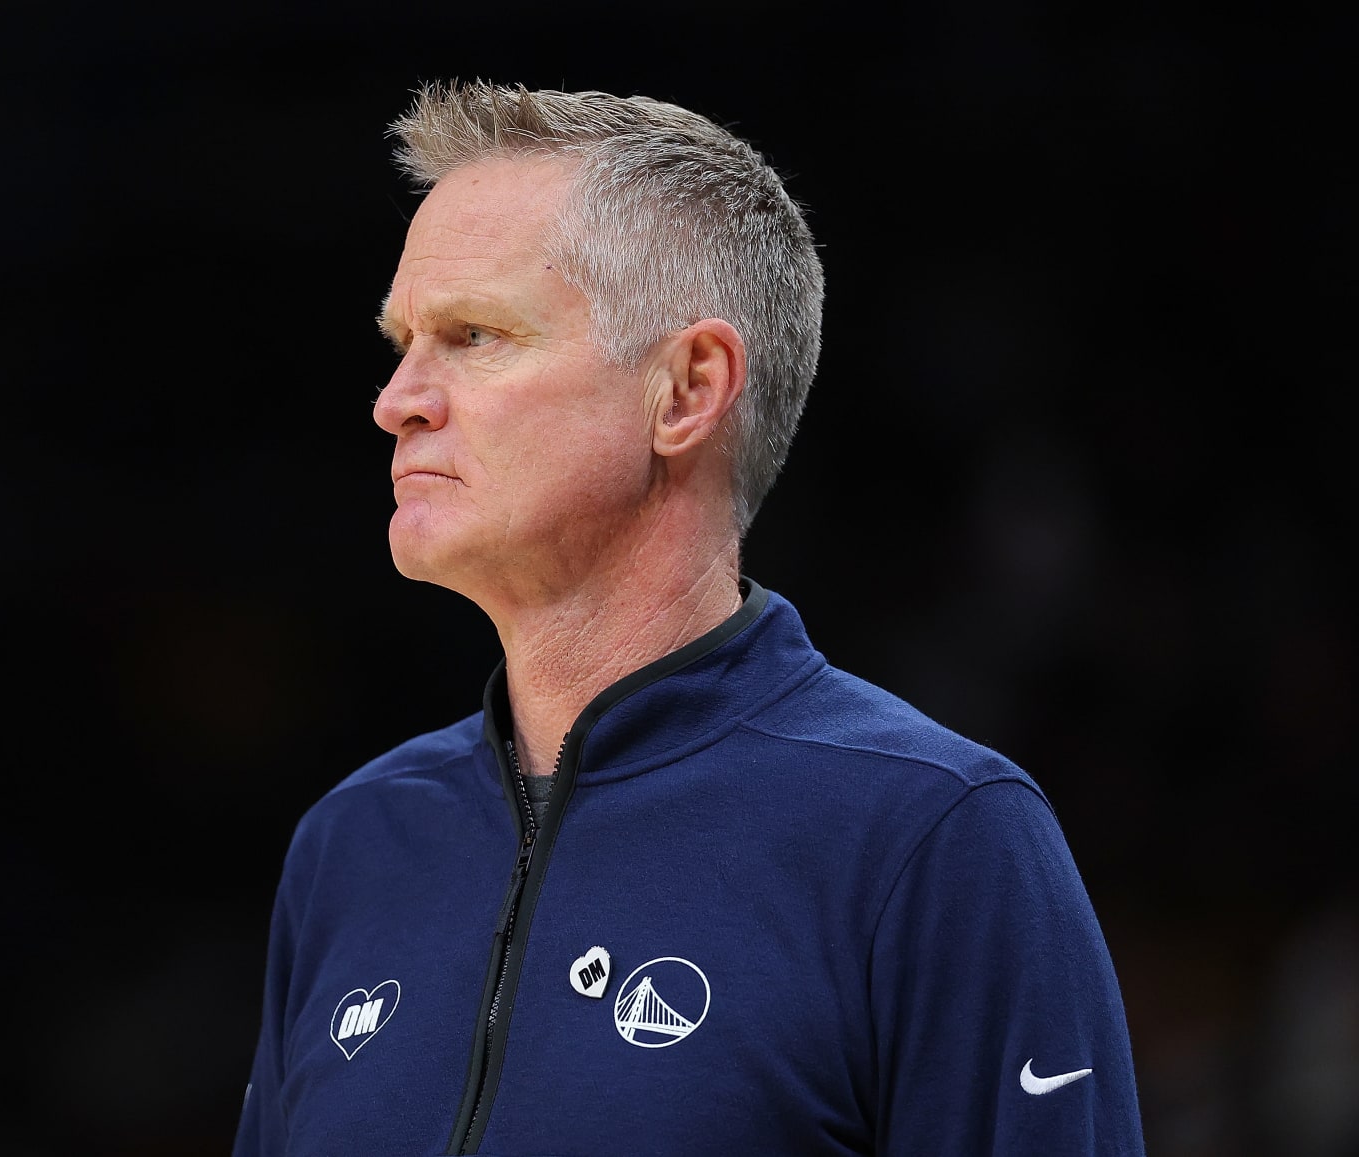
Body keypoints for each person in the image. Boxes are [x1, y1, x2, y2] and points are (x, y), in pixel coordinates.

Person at [232, 79, 1145, 1155]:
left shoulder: (933, 836)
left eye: (474, 335)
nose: (399, 399)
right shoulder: (353, 842)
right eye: (403, 342)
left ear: (685, 390)